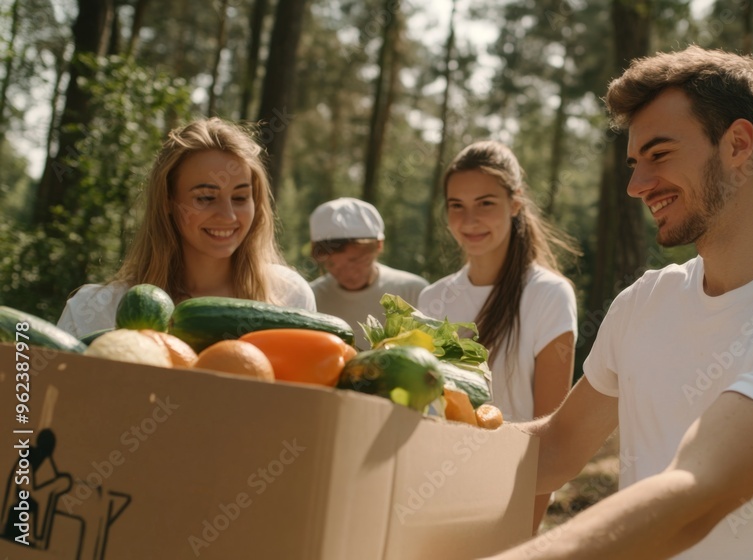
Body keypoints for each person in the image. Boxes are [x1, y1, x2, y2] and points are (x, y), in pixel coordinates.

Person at [482, 46, 753, 559]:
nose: (637, 186)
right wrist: (428, 443)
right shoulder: (644, 301)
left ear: (737, 144)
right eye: (635, 163)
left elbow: (691, 495)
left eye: (659, 155)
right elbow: (554, 450)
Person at [418, 140, 579, 532]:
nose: (469, 219)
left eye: (485, 203)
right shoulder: (432, 298)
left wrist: (523, 538)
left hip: (509, 502)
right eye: (456, 205)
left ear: (516, 203)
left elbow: (550, 437)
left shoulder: (549, 295)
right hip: (431, 494)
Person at [57, 117, 315, 338]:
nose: (227, 216)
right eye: (205, 198)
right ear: (167, 202)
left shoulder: (290, 298)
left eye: (239, 198)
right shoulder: (94, 311)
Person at [309, 197, 428, 348]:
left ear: (379, 246)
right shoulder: (311, 298)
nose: (348, 273)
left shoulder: (413, 292)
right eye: (332, 264)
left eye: (355, 260)